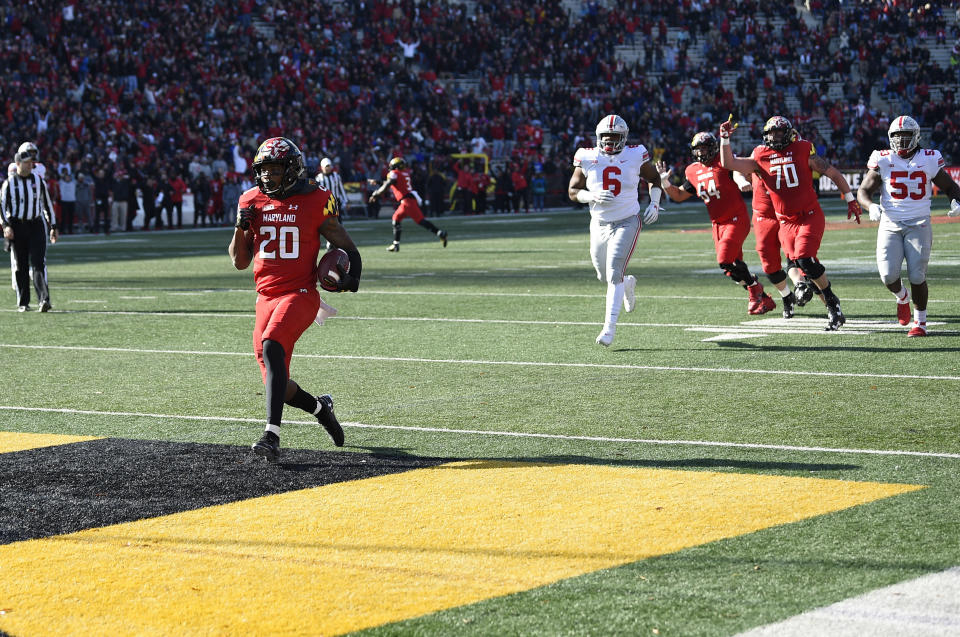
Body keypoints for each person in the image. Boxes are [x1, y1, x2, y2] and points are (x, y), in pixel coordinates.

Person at [228, 137, 361, 462]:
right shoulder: (250, 200)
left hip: (300, 294)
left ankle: (270, 436)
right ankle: (321, 408)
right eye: (264, 171)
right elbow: (239, 261)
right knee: (279, 383)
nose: (268, 177)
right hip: (265, 297)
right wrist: (240, 228)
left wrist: (351, 277)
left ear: (291, 169)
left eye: (275, 170)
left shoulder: (315, 199)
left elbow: (348, 248)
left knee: (273, 345)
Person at [719, 115, 862, 331]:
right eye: (771, 134)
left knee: (805, 259)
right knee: (796, 264)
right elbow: (729, 163)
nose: (775, 137)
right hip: (784, 221)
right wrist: (724, 139)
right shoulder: (761, 154)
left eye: (779, 132)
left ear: (789, 133)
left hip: (808, 215)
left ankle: (832, 304)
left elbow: (831, 171)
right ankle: (827, 304)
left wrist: (851, 199)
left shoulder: (803, 148)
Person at [857, 115, 960, 337]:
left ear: (916, 137)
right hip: (890, 223)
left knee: (917, 275)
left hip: (919, 223)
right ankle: (902, 296)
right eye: (897, 137)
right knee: (887, 275)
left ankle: (920, 323)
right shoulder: (883, 159)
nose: (902, 142)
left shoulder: (929, 158)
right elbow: (863, 191)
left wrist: (956, 200)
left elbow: (951, 186)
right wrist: (870, 206)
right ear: (890, 138)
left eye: (906, 137)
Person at [568, 114, 663, 347]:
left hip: (626, 220)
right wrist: (590, 195)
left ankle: (609, 329)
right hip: (598, 223)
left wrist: (654, 202)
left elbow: (654, 179)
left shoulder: (634, 154)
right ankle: (628, 283)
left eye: (615, 138)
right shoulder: (587, 156)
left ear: (624, 138)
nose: (610, 143)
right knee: (604, 275)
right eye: (606, 138)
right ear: (598, 137)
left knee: (613, 273)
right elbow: (572, 191)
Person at [657, 131, 777, 316]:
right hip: (717, 224)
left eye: (704, 148)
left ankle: (755, 292)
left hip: (736, 219)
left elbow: (736, 170)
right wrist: (665, 183)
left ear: (713, 148)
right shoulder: (693, 170)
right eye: (697, 149)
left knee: (724, 261)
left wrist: (740, 180)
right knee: (732, 268)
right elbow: (679, 196)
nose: (700, 153)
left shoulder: (723, 161)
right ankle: (764, 298)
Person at [1, 144, 58, 311]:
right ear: (18, 163)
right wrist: (6, 225)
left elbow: (47, 204)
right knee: (21, 265)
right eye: (26, 162)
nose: (29, 165)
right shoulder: (9, 183)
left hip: (36, 224)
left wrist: (53, 226)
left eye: (31, 162)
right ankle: (23, 302)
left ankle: (44, 300)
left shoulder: (38, 181)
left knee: (38, 263)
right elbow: (1, 206)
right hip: (17, 225)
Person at [369, 157, 448, 252]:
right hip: (407, 201)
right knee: (396, 218)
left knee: (421, 221)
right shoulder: (404, 173)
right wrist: (377, 182)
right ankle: (395, 244)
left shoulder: (394, 174)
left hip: (407, 202)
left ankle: (440, 233)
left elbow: (388, 185)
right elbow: (393, 184)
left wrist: (375, 194)